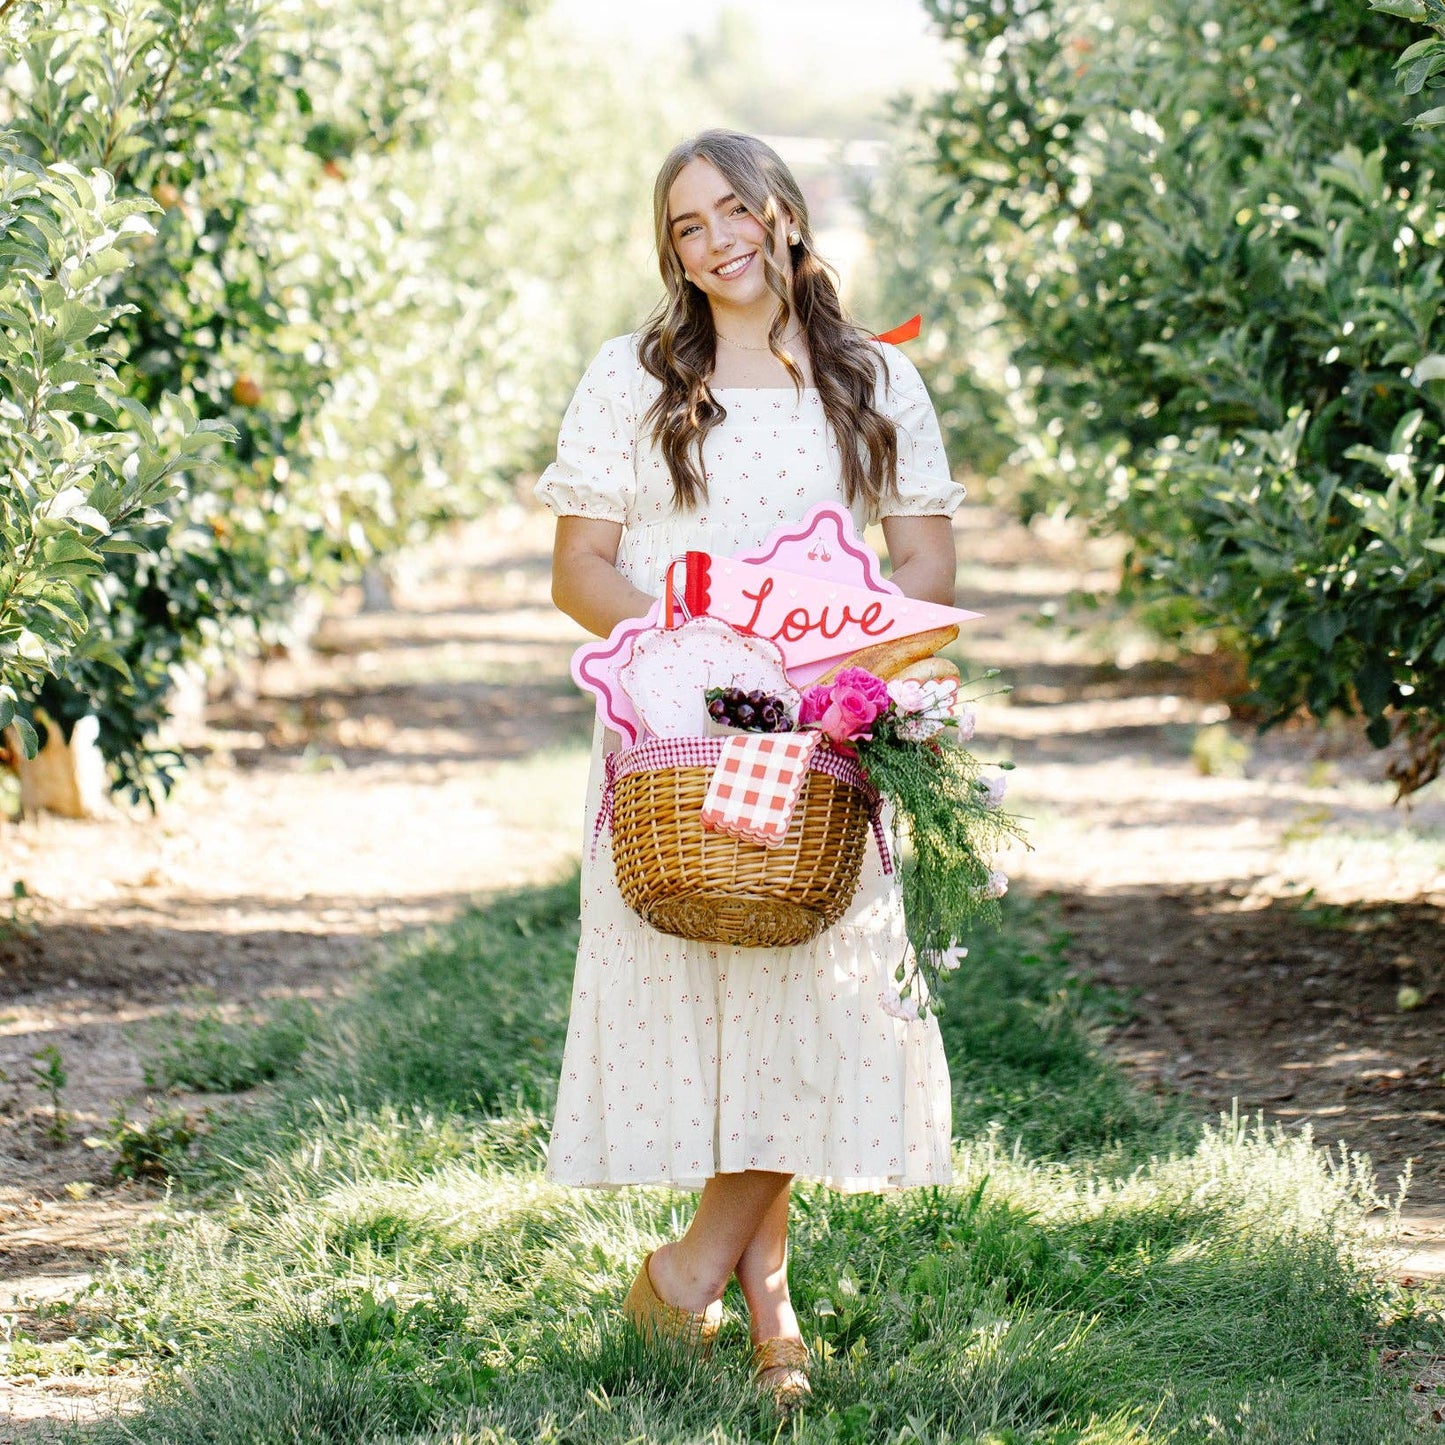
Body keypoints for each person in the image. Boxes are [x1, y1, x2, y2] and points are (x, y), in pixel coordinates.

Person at [535, 129, 964, 1407]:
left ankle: (691, 1272)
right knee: (710, 964)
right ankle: (764, 1298)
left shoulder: (876, 380)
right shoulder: (634, 375)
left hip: (819, 728)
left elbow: (926, 568)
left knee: (808, 983)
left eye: (733, 207)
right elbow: (580, 565)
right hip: (675, 728)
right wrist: (683, 664)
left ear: (781, 210)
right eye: (684, 224)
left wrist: (835, 686)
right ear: (668, 249)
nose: (715, 237)